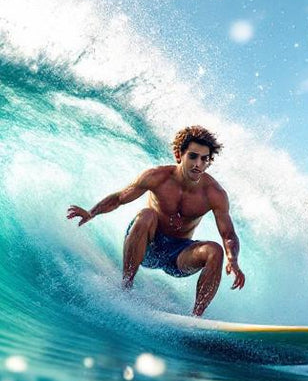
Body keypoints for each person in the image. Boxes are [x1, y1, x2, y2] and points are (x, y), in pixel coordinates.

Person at [67, 125, 245, 316]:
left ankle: (196, 318)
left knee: (214, 251)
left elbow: (228, 234)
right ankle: (125, 289)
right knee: (146, 214)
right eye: (193, 156)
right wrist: (91, 213)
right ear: (179, 155)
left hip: (178, 254)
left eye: (205, 159)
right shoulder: (157, 177)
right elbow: (120, 198)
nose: (198, 164)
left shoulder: (214, 194)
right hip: (147, 245)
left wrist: (232, 259)